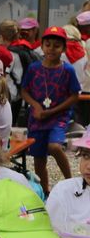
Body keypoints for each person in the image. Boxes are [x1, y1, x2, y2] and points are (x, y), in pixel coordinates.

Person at [23, 26, 80, 193]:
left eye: (56, 45)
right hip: (38, 117)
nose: (51, 49)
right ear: (42, 46)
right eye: (47, 44)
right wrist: (36, 106)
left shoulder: (67, 70)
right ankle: (45, 191)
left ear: (63, 48)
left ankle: (71, 182)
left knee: (54, 146)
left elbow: (74, 95)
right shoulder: (34, 68)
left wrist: (52, 111)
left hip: (59, 117)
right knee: (39, 158)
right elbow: (24, 91)